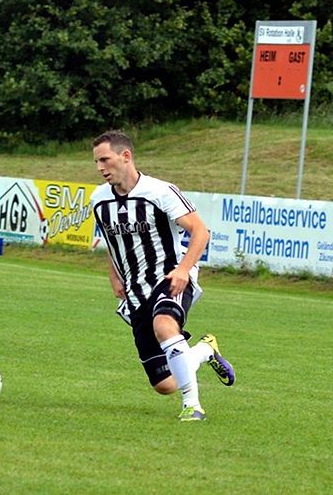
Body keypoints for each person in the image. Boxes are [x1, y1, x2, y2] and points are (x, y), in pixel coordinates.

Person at [90, 130, 233, 421]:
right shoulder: (99, 199)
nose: (100, 168)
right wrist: (114, 276)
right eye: (96, 162)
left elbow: (200, 232)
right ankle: (204, 350)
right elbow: (112, 240)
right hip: (135, 288)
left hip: (170, 275)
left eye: (105, 160)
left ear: (125, 156)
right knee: (165, 383)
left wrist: (183, 270)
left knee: (165, 326)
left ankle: (193, 406)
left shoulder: (160, 192)